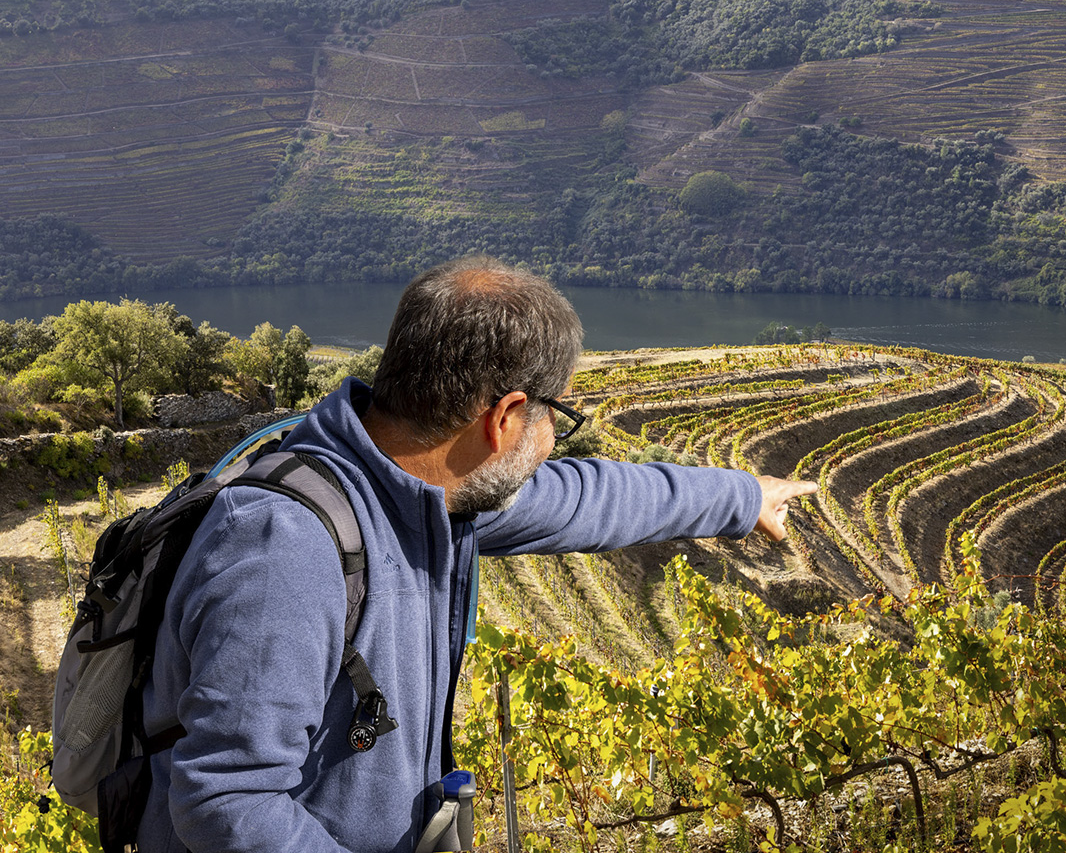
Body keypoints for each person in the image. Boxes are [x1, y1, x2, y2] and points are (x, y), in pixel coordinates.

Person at [137, 256, 816, 853]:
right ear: (505, 418)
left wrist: (742, 496)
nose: (553, 439)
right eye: (556, 417)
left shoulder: (427, 498)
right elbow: (228, 805)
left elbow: (592, 497)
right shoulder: (284, 548)